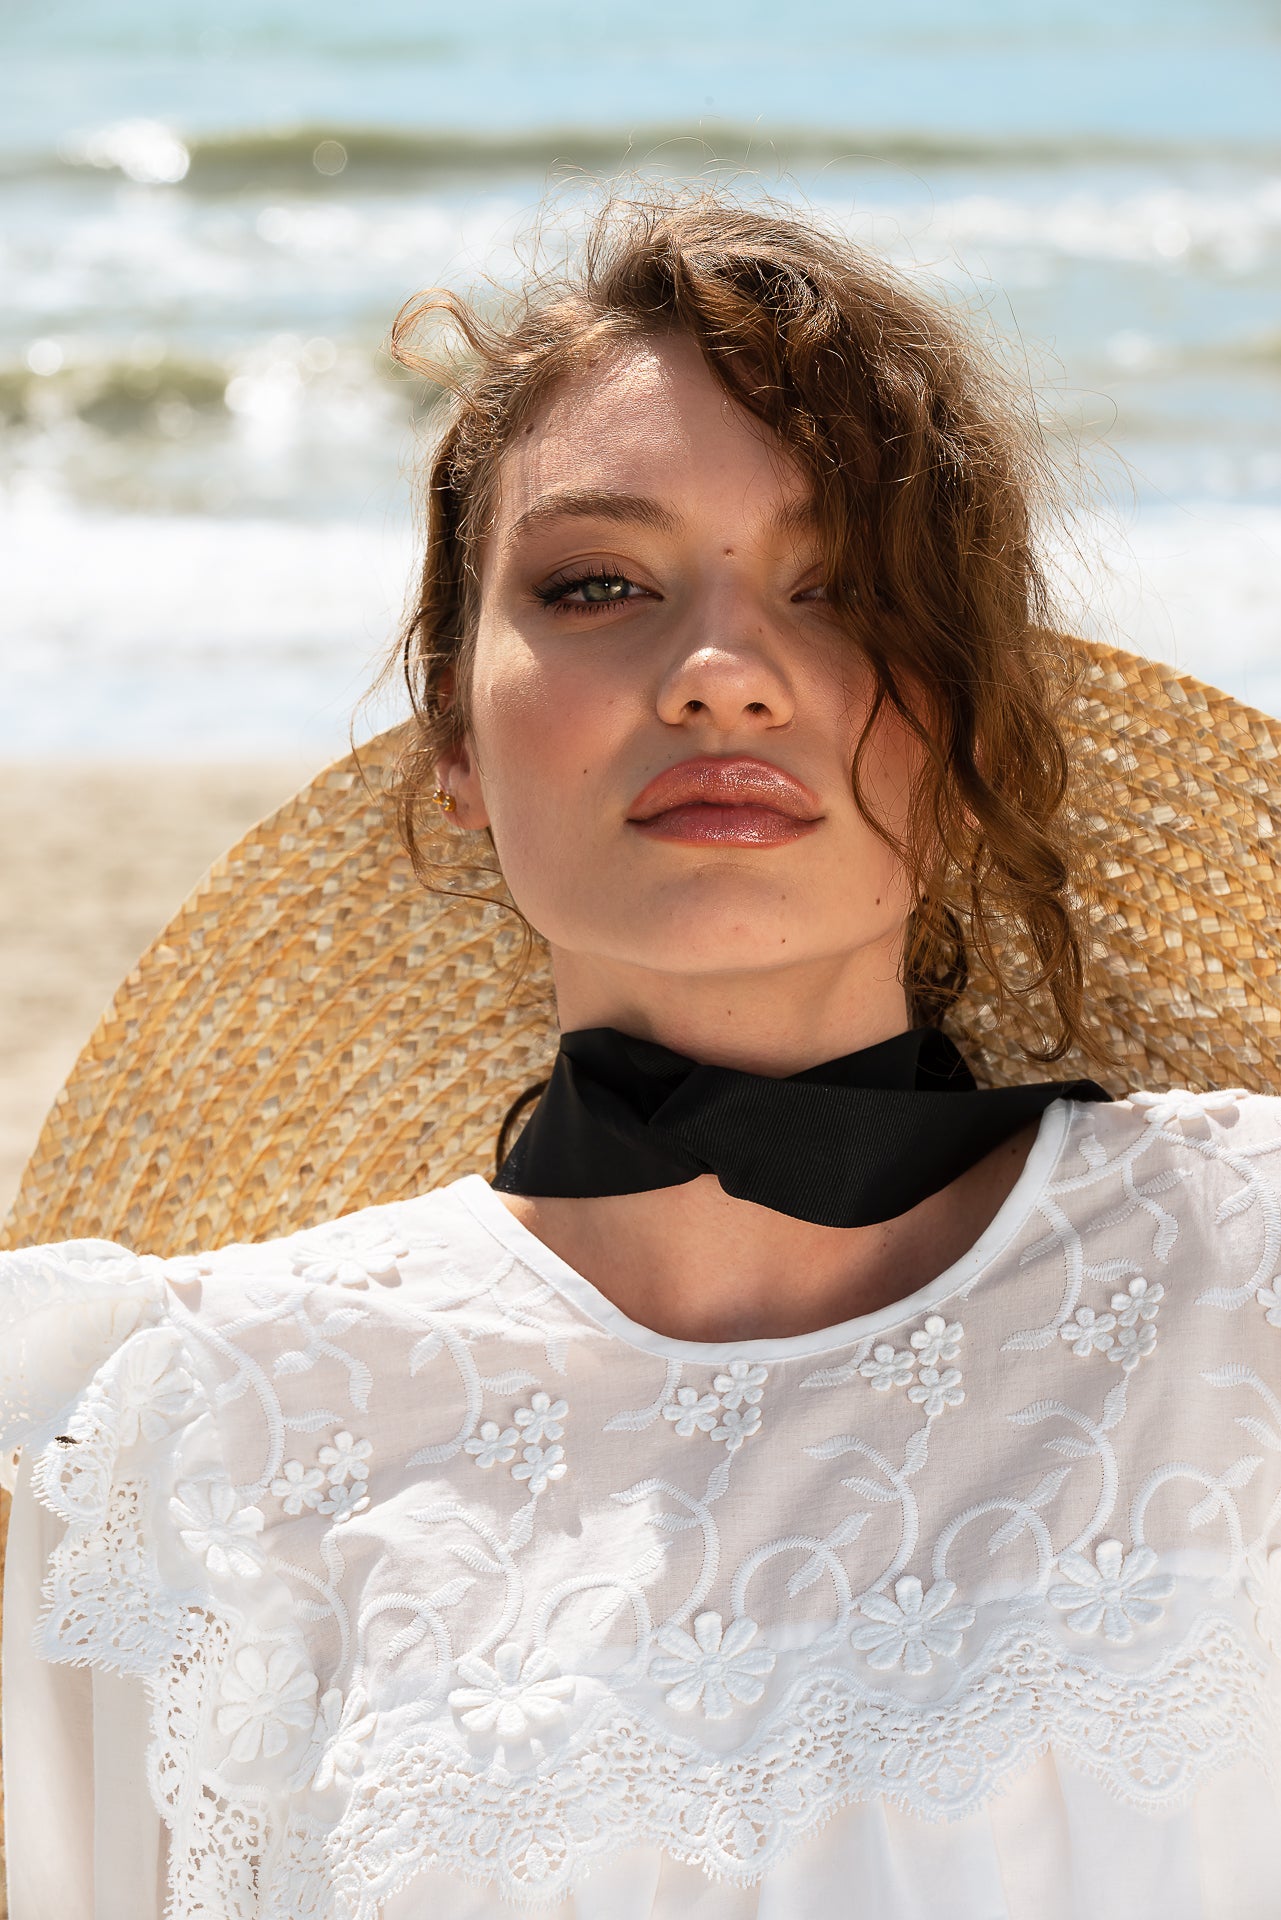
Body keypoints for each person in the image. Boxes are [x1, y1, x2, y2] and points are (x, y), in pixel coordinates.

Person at [2, 189, 1280, 1919]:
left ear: (967, 723)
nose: (721, 676)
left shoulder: (1242, 1275)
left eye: (843, 588)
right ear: (454, 738)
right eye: (597, 583)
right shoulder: (199, 1441)